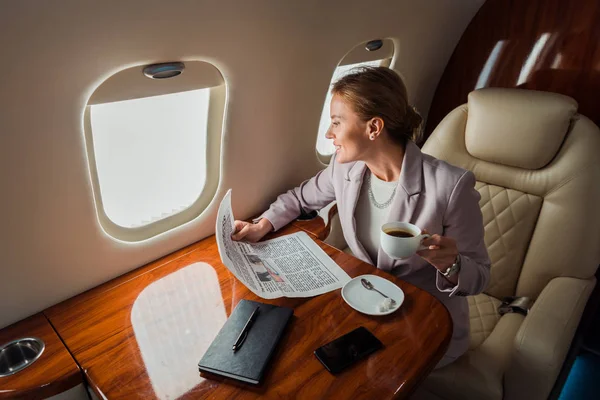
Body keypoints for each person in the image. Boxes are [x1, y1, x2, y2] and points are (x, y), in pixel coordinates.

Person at [231, 66, 490, 368]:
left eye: (337, 122)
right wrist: (262, 224)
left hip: (425, 320)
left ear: (374, 128)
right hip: (365, 302)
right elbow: (299, 198)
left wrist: (452, 265)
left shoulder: (450, 186)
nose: (330, 134)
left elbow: (481, 277)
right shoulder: (345, 169)